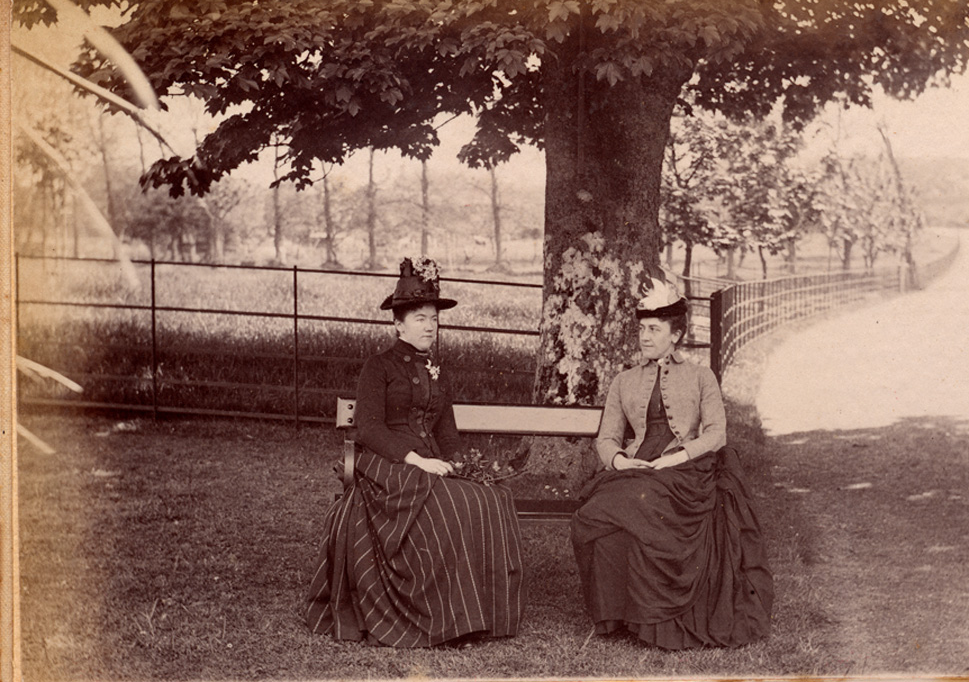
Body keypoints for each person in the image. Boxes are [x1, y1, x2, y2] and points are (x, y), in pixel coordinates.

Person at [305, 257, 524, 647]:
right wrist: (417, 460)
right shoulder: (378, 367)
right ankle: (437, 617)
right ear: (398, 324)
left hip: (430, 462)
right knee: (445, 505)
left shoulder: (437, 370)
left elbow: (447, 432)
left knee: (489, 498)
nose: (429, 326)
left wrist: (459, 465)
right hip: (388, 464)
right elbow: (369, 428)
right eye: (420, 318)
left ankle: (481, 616)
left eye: (433, 319)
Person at [571, 278, 773, 650]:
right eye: (641, 329)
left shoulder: (700, 376)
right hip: (636, 469)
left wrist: (679, 457)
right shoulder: (624, 381)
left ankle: (655, 619)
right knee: (594, 513)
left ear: (675, 335)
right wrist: (620, 461)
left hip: (687, 470)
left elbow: (716, 433)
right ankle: (617, 613)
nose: (645, 337)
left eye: (654, 329)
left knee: (642, 503)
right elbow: (607, 438)